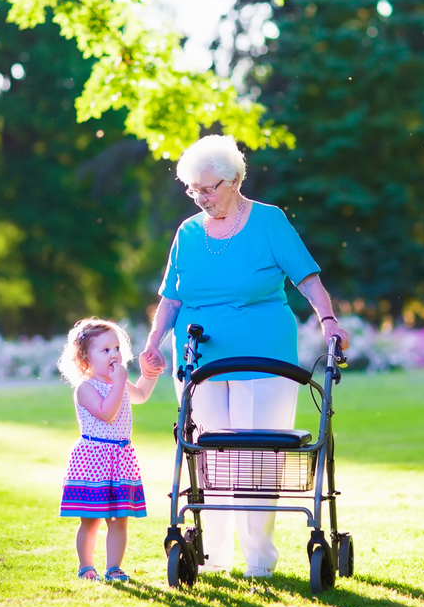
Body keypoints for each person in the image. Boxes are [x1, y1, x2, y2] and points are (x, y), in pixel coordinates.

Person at [139, 134, 351, 579]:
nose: (200, 197)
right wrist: (153, 342)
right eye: (192, 189)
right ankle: (214, 557)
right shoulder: (188, 232)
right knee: (208, 458)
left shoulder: (269, 222)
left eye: (208, 187)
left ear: (234, 179)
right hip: (199, 361)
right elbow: (172, 298)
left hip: (264, 357)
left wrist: (328, 320)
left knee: (257, 458)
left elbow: (308, 279)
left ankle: (259, 560)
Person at [57, 318, 161, 582]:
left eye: (116, 348)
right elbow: (106, 413)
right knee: (91, 519)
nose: (114, 354)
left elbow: (140, 395)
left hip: (120, 458)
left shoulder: (119, 382)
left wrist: (149, 375)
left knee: (119, 519)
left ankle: (114, 567)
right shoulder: (86, 388)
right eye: (105, 350)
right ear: (85, 359)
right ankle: (86, 566)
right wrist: (118, 383)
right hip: (94, 460)